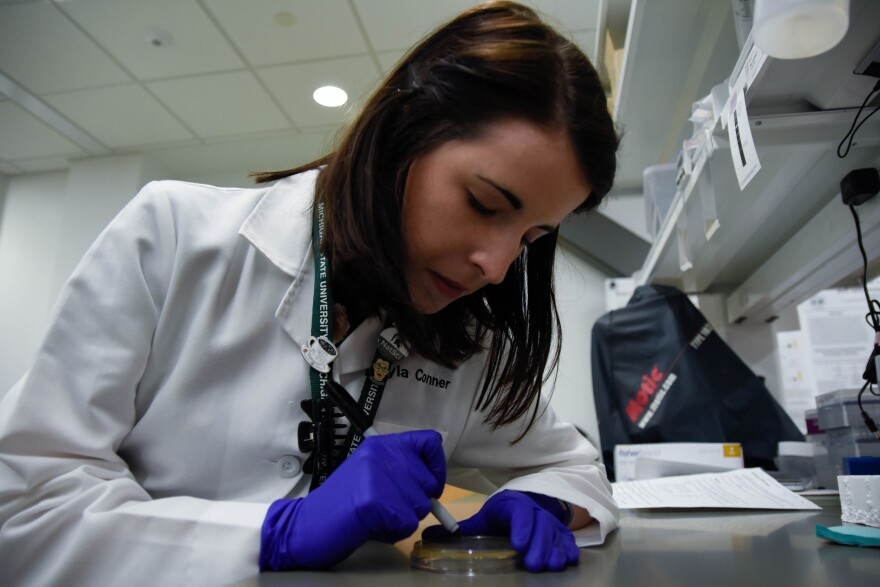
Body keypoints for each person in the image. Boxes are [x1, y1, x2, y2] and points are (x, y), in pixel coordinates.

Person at [0, 2, 619, 584]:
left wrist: (544, 502)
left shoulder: (464, 340)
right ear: (404, 130)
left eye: (532, 238)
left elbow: (574, 466)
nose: (496, 266)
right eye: (483, 204)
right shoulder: (172, 238)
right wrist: (271, 535)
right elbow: (27, 505)